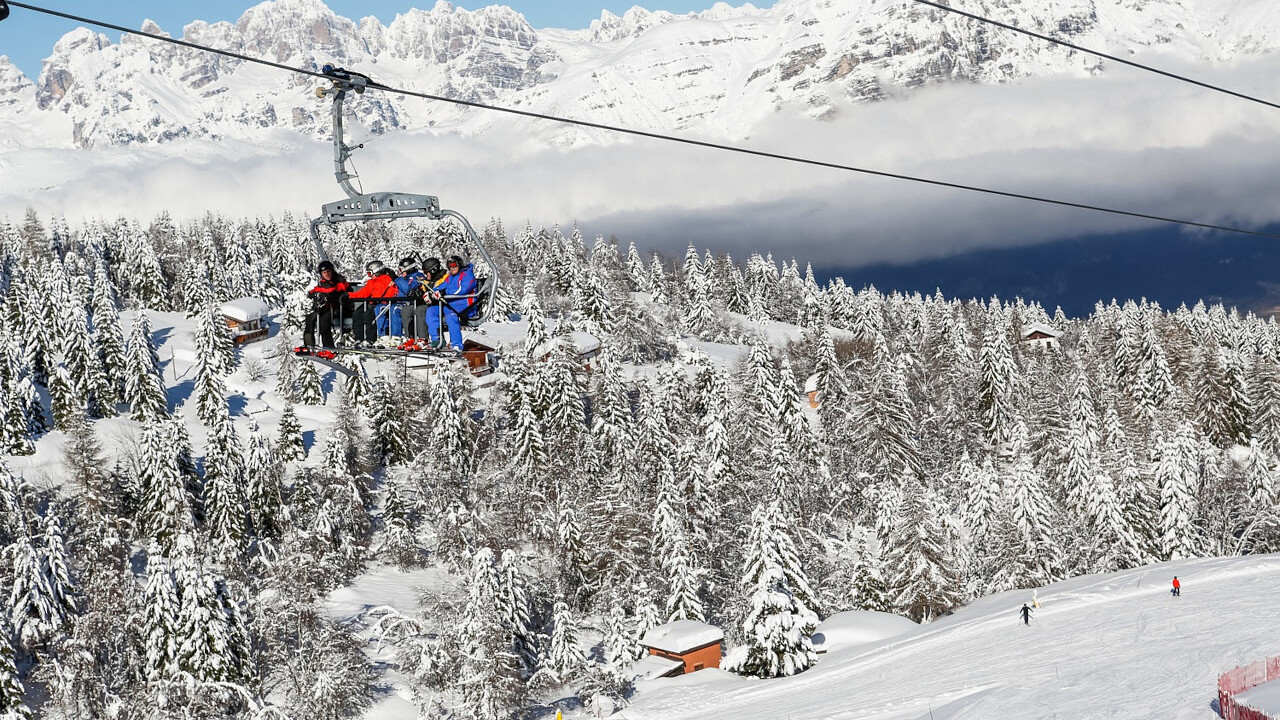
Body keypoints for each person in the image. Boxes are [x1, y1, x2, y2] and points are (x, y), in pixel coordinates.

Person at [424, 255, 478, 351]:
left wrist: (444, 292)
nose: (451, 268)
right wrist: (431, 293)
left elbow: (461, 289)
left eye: (454, 266)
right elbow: (440, 286)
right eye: (449, 266)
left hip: (466, 304)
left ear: (459, 265)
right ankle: (437, 339)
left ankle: (456, 344)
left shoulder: (467, 275)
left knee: (450, 313)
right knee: (431, 311)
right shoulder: (450, 277)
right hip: (450, 304)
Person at [347, 260, 398, 345]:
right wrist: (349, 295)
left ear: (377, 271)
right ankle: (358, 338)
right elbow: (364, 293)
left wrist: (381, 300)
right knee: (357, 313)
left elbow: (390, 294)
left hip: (380, 303)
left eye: (370, 273)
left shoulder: (388, 280)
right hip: (371, 303)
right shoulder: (371, 282)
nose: (370, 276)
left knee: (369, 315)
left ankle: (370, 339)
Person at [303, 260, 351, 348]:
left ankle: (328, 346)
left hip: (339, 308)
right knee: (310, 318)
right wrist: (313, 294)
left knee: (323, 320)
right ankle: (309, 343)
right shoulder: (323, 283)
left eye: (328, 272)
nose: (326, 274)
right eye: (324, 273)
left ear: (332, 271)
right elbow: (316, 290)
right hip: (327, 308)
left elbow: (339, 290)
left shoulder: (339, 280)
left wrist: (326, 295)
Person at [394, 256, 435, 341]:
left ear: (409, 268)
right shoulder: (403, 278)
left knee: (418, 311)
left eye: (402, 270)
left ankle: (422, 338)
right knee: (403, 310)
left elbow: (408, 289)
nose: (401, 272)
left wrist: (396, 279)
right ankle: (409, 337)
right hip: (405, 304)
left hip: (416, 303)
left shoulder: (418, 276)